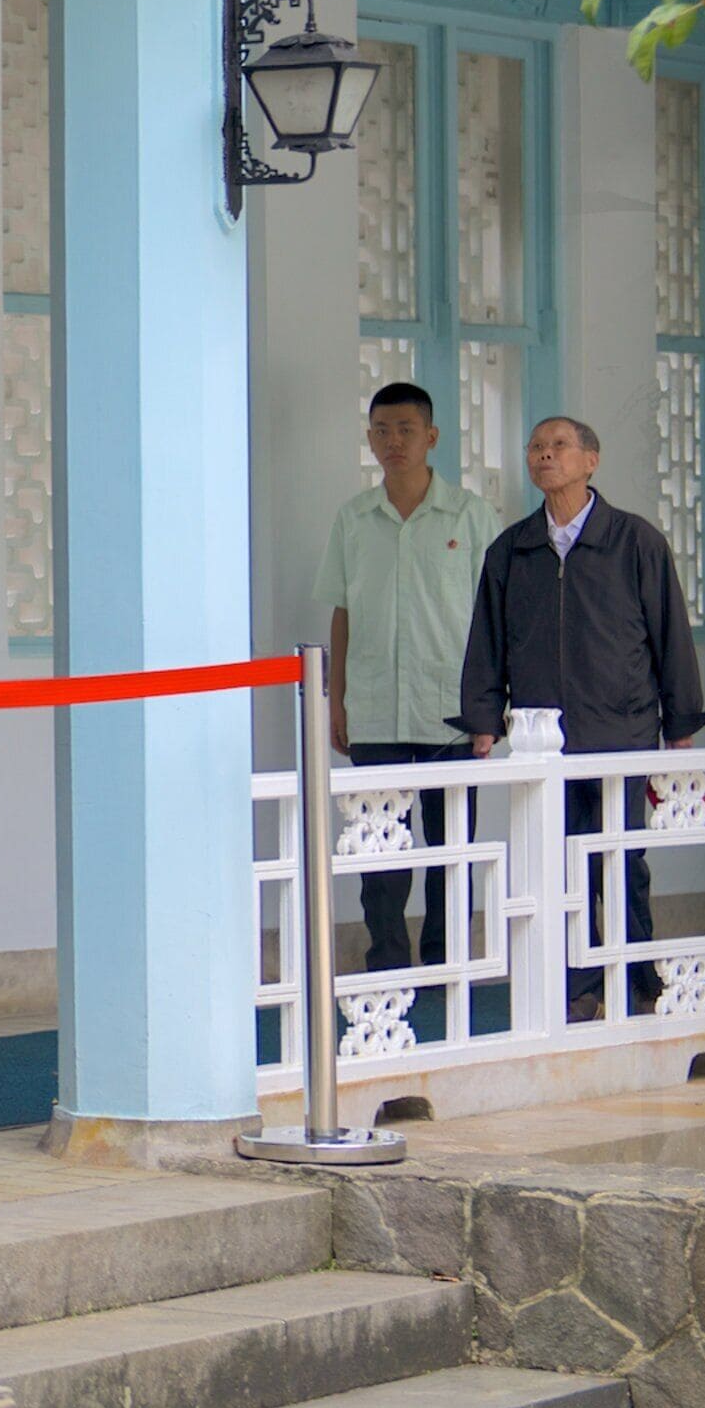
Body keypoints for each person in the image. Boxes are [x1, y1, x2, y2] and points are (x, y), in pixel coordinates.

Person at [459, 415, 705, 1021]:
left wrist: (680, 726)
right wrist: (483, 721)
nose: (546, 456)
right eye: (536, 447)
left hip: (619, 732)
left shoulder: (635, 541)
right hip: (543, 742)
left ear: (591, 461)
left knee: (620, 863)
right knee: (556, 865)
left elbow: (670, 635)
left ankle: (636, 981)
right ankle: (573, 988)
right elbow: (487, 644)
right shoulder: (512, 550)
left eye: (559, 446)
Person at [312, 382, 493, 973]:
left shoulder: (470, 516)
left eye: (406, 430)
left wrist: (492, 708)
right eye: (382, 431)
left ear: (431, 437)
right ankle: (387, 962)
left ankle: (447, 964)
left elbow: (497, 617)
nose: (394, 442)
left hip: (452, 708)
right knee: (380, 849)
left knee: (451, 847)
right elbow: (342, 612)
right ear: (370, 440)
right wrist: (336, 700)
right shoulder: (353, 519)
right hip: (375, 706)